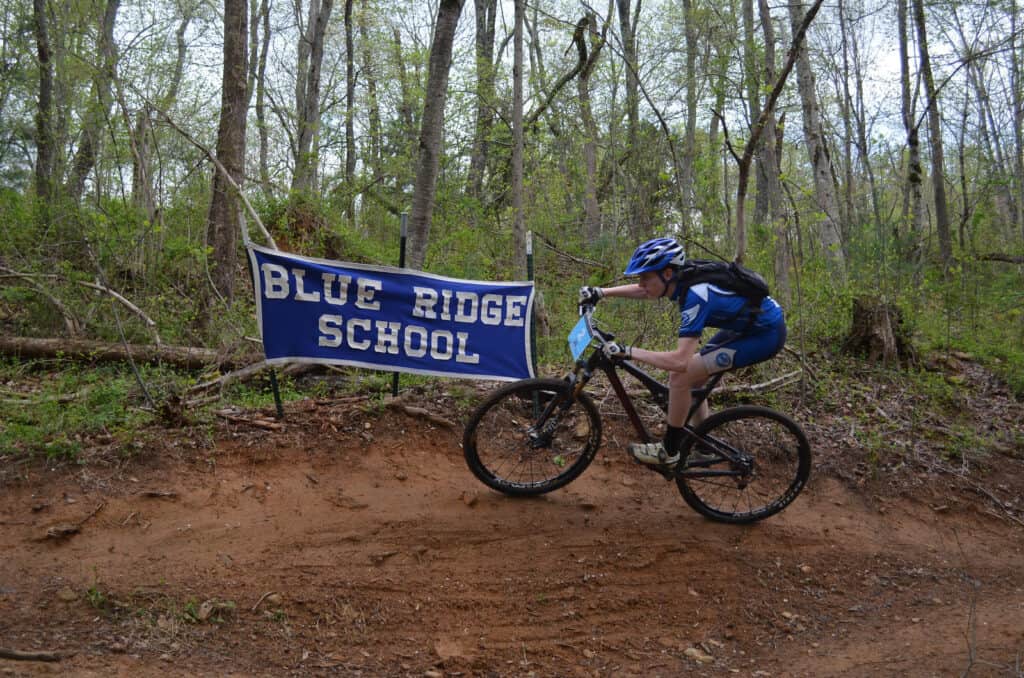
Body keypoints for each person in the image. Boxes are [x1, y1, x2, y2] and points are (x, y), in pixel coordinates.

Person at [577, 237, 787, 467]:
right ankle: (704, 447)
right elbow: (647, 291)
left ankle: (669, 451)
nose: (641, 283)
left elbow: (679, 361)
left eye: (645, 277)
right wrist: (601, 292)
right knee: (694, 378)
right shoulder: (680, 277)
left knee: (680, 376)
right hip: (748, 326)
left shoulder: (697, 297)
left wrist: (628, 351)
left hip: (764, 337)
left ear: (667, 274)